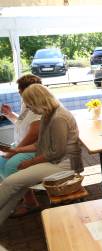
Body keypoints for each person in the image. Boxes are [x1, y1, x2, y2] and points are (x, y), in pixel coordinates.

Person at [0, 84, 82, 224]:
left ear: (38, 101)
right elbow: (41, 144)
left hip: (65, 164)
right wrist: (16, 150)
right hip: (57, 161)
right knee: (16, 185)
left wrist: (31, 162)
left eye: (30, 104)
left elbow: (56, 152)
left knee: (10, 182)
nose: (29, 108)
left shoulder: (58, 118)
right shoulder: (48, 114)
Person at [0, 74, 42, 179]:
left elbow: (32, 136)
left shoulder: (39, 106)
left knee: (11, 167)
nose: (19, 92)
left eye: (20, 90)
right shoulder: (25, 102)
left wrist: (13, 152)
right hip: (19, 145)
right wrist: (9, 114)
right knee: (1, 163)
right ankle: (18, 192)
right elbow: (22, 123)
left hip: (32, 149)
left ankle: (15, 191)